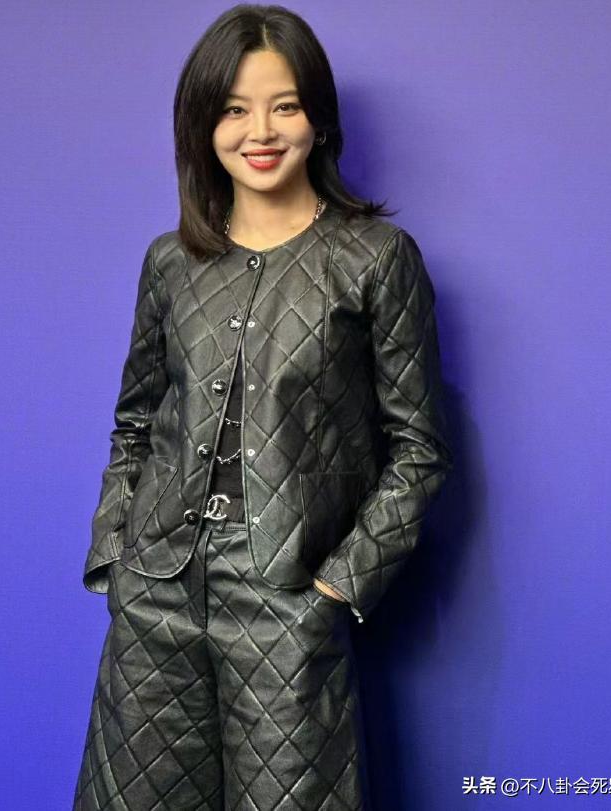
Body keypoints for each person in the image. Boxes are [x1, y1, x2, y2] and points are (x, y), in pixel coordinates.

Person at [73, 4, 454, 809]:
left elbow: (418, 450)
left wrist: (336, 588)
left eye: (284, 105)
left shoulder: (375, 259)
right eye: (234, 109)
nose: (260, 131)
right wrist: (115, 554)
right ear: (201, 125)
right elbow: (135, 422)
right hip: (155, 596)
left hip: (285, 597)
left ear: (318, 118)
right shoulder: (171, 263)